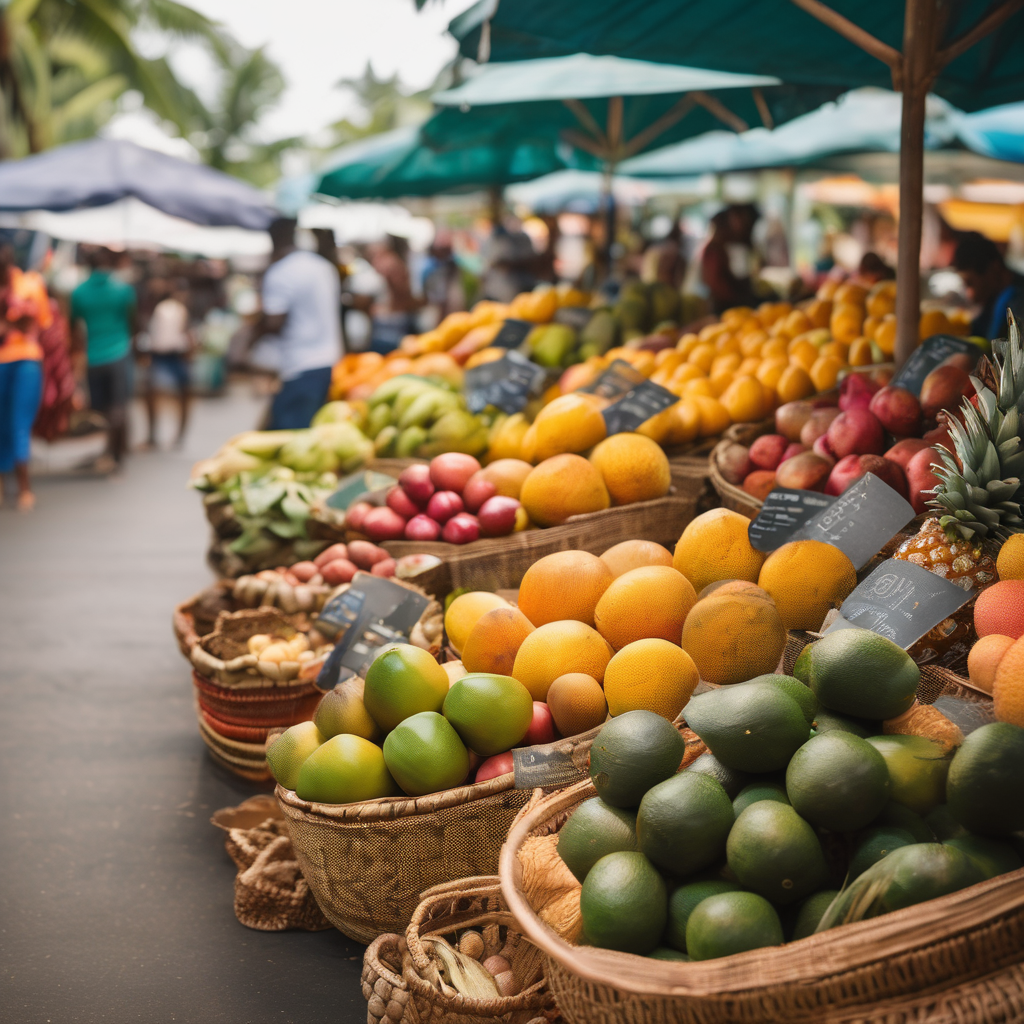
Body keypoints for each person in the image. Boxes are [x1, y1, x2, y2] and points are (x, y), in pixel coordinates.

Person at [248, 218, 342, 429]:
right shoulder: (323, 266)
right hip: (329, 361)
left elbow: (275, 322)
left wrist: (252, 335)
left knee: (292, 434)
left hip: (299, 365)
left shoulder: (281, 272)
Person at [70, 247, 137, 470]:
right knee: (119, 406)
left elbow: (73, 326)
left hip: (93, 356)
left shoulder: (79, 292)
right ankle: (116, 454)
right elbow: (133, 321)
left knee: (101, 409)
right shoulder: (123, 289)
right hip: (119, 352)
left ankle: (110, 451)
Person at [0, 245, 51, 510]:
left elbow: (41, 321)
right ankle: (18, 487)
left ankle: (23, 486)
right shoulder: (29, 285)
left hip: (25, 360)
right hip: (19, 361)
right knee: (11, 423)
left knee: (18, 422)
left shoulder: (29, 284)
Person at [143, 278, 194, 448]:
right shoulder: (175, 308)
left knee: (154, 393)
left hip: (166, 354)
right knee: (181, 394)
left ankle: (156, 436)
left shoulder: (163, 307)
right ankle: (176, 436)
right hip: (170, 355)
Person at [952, 231, 1024, 339]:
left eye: (970, 283)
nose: (968, 294)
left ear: (994, 268)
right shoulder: (992, 301)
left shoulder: (1018, 301)